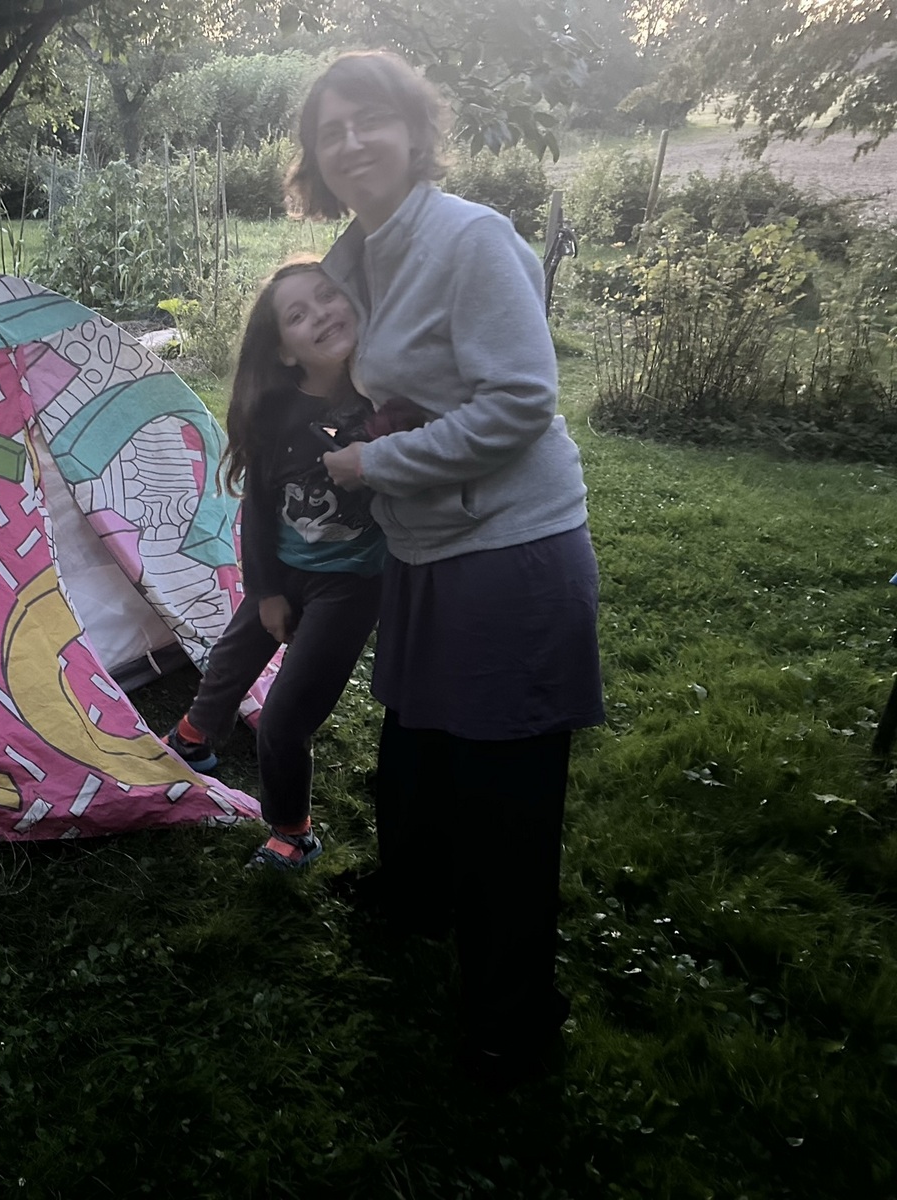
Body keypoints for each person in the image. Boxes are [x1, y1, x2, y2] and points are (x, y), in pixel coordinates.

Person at [289, 50, 605, 1084]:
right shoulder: (356, 257)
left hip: (510, 548)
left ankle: (513, 1022)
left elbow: (520, 404)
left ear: (415, 131)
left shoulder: (470, 239)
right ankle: (414, 899)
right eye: (330, 131)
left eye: (369, 120)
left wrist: (373, 462)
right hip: (425, 542)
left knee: (505, 796)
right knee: (417, 745)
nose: (350, 143)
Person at [163, 258, 424, 870]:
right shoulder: (275, 411)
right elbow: (256, 507)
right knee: (228, 661)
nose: (321, 315)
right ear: (283, 349)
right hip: (282, 570)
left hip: (352, 586)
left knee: (284, 718)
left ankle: (293, 832)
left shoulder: (384, 399)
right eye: (298, 315)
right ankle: (195, 738)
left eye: (328, 296)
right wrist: (266, 592)